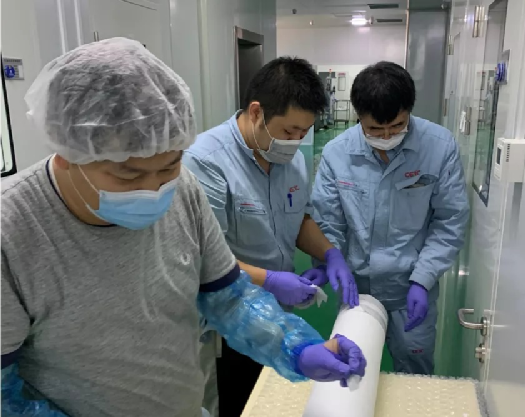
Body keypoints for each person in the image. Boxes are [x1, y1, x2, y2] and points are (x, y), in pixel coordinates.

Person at [0, 38, 367, 417]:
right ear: (67, 154)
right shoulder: (13, 232)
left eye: (168, 166)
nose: (154, 189)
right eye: (129, 175)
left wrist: (295, 347)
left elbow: (229, 298)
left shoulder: (184, 190)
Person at [183, 57, 359, 417]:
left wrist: (329, 253)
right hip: (227, 320)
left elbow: (300, 218)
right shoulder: (206, 162)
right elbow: (204, 259)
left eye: (304, 132)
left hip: (278, 316)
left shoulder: (291, 159)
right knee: (238, 403)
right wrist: (272, 281)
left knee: (274, 400)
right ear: (256, 112)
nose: (295, 142)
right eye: (289, 130)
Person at [311, 61, 470, 375]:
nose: (386, 136)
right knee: (350, 370)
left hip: (411, 286)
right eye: (374, 129)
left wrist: (423, 279)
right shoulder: (337, 154)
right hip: (356, 288)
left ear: (409, 111)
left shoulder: (439, 148)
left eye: (397, 126)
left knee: (414, 369)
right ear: (358, 116)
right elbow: (328, 219)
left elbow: (450, 220)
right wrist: (327, 261)